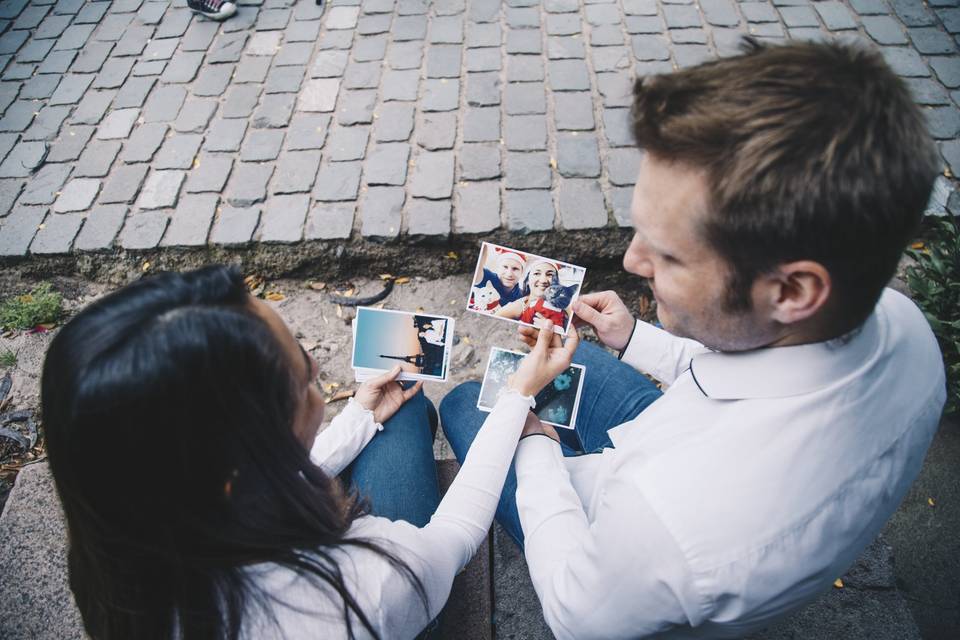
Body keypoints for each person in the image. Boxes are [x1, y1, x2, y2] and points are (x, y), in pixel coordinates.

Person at [441, 38, 946, 638]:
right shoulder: (903, 327)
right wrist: (631, 337)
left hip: (623, 536)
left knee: (464, 407)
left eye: (670, 254)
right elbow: (744, 357)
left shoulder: (673, 526)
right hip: (671, 454)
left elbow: (578, 613)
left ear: (791, 292)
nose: (632, 261)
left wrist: (533, 442)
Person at [41, 266, 578, 640]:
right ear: (240, 473)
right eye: (301, 375)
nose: (319, 369)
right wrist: (517, 398)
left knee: (403, 412)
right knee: (446, 408)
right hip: (391, 610)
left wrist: (359, 419)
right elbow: (456, 536)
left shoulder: (119, 544)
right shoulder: (363, 588)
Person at [469, 245, 526, 311]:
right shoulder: (486, 276)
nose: (509, 274)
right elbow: (478, 265)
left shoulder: (523, 296)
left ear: (522, 273)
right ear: (497, 268)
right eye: (505, 267)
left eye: (515, 269)